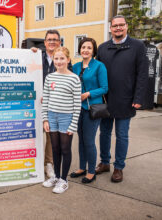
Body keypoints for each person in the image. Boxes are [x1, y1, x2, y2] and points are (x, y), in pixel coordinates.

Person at [95, 15, 148, 182]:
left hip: (126, 98)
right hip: (105, 99)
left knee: (122, 135)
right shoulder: (103, 48)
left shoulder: (137, 46)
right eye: (115, 25)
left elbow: (142, 74)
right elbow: (97, 73)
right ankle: (104, 163)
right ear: (110, 28)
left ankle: (118, 167)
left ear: (126, 27)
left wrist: (138, 97)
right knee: (104, 133)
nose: (118, 28)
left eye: (121, 25)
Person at [31, 30, 72, 178]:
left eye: (55, 39)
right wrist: (29, 53)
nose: (52, 42)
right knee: (34, 132)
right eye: (49, 39)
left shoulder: (63, 60)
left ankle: (49, 164)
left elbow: (67, 81)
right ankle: (33, 163)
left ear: (59, 42)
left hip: (52, 104)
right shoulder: (36, 55)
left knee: (50, 136)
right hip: (33, 101)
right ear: (44, 42)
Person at [41, 47, 81, 194]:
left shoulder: (74, 78)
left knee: (65, 149)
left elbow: (77, 104)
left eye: (62, 58)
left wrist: (73, 124)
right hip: (51, 116)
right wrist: (45, 119)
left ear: (68, 60)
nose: (59, 61)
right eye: (56, 58)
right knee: (55, 149)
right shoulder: (49, 77)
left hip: (66, 118)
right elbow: (46, 100)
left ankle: (64, 180)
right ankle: (56, 177)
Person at [70, 38, 108, 184]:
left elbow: (105, 88)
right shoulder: (76, 66)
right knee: (80, 140)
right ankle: (81, 167)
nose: (85, 50)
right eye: (83, 47)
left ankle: (91, 171)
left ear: (93, 51)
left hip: (92, 108)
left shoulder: (99, 66)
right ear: (80, 49)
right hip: (78, 108)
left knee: (89, 140)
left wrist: (88, 94)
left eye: (89, 48)